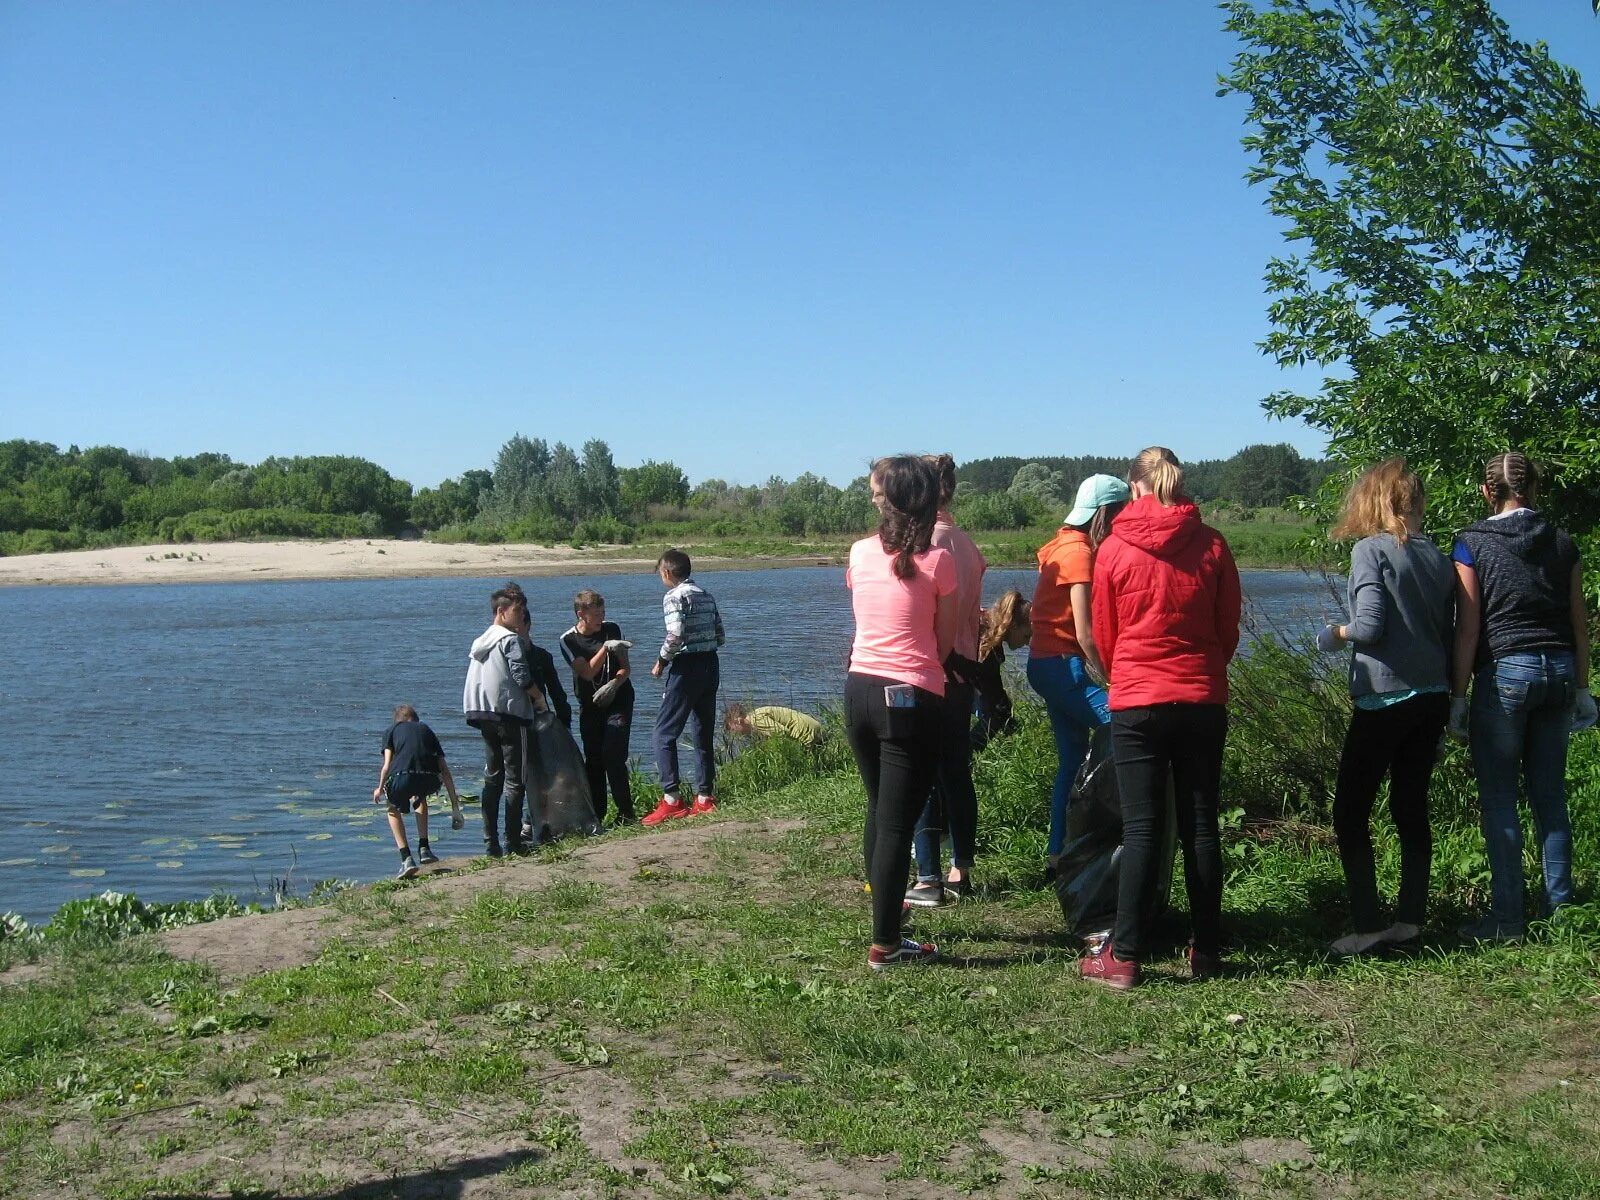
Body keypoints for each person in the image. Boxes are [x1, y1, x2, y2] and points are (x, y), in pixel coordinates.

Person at [1081, 447, 1241, 989]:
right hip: (1201, 696)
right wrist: (1203, 670)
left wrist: (1121, 674)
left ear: (1136, 488)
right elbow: (1228, 629)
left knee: (1143, 826)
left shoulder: (1113, 550)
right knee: (1200, 823)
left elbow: (1104, 633)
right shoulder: (1214, 544)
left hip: (1138, 699)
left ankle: (1124, 956)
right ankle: (1208, 949)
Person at [1450, 452, 1595, 942]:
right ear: (1534, 488)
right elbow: (1579, 622)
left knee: (1499, 800)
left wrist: (1457, 695)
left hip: (1505, 672)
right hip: (1558, 669)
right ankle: (1562, 913)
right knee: (1550, 797)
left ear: (1487, 491)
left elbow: (1469, 629)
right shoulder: (1562, 542)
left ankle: (1507, 919)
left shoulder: (1471, 543)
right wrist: (1583, 687)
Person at [1316, 459, 1455, 956]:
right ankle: (1411, 921)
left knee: (1350, 811)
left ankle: (1369, 924)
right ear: (1415, 502)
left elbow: (1369, 626)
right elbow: (1447, 632)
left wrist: (1333, 634)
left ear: (1374, 501)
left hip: (1384, 697)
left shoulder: (1370, 550)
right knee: (1409, 806)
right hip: (1432, 696)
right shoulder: (1438, 557)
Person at [846, 455, 957, 968]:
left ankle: (883, 916)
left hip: (860, 690)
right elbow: (946, 640)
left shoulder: (859, 552)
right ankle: (886, 942)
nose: (871, 495)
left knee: (878, 809)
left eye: (876, 491)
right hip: (910, 698)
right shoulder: (938, 561)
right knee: (896, 824)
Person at [1027, 474, 1130, 876]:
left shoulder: (1062, 544)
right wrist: (1112, 679)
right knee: (1125, 725)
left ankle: (1060, 854)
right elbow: (1086, 633)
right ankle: (1117, 839)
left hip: (1046, 665)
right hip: (1061, 666)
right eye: (1121, 514)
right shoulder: (1079, 554)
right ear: (1106, 513)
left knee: (1071, 761)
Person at [905, 453, 988, 907]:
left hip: (933, 668)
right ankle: (962, 867)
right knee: (956, 772)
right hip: (964, 672)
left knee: (920, 773)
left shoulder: (926, 544)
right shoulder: (964, 539)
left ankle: (927, 875)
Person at [462, 584, 548, 857]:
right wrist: (539, 700)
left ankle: (491, 843)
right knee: (515, 780)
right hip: (509, 715)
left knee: (493, 779)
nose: (522, 617)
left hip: (481, 714)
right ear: (502, 612)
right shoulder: (510, 640)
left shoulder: (480, 642)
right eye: (518, 611)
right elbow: (521, 676)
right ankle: (512, 842)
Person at [643, 549, 726, 826]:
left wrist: (661, 662)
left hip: (686, 668)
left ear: (667, 573)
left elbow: (675, 633)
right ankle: (705, 797)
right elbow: (720, 635)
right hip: (710, 664)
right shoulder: (706, 594)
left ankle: (672, 800)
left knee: (663, 733)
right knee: (702, 731)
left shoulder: (674, 596)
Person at [560, 589, 637, 825]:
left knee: (613, 754)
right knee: (594, 760)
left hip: (619, 699)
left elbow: (625, 666)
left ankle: (626, 814)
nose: (601, 619)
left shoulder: (612, 628)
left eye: (603, 613)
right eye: (596, 615)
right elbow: (587, 672)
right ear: (581, 614)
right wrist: (605, 648)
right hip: (590, 705)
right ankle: (597, 817)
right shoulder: (569, 640)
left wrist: (616, 682)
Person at [373, 704, 462, 879]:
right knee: (420, 798)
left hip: (401, 777)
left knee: (392, 808)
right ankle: (424, 848)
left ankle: (406, 858)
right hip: (429, 779)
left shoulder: (391, 730)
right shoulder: (426, 730)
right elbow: (444, 770)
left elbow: (386, 766)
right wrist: (455, 807)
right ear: (415, 719)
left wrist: (379, 788)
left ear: (398, 720)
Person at [509, 601, 572, 845]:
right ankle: (524, 826)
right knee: (521, 775)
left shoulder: (542, 656)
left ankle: (538, 823)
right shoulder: (506, 655)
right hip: (515, 721)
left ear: (528, 626)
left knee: (545, 774)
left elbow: (557, 691)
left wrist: (564, 724)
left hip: (541, 722)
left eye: (518, 628)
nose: (515, 634)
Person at [968, 590, 1031, 750]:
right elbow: (991, 687)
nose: (1027, 643)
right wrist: (1006, 715)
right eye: (1026, 636)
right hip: (952, 685)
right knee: (997, 713)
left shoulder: (989, 632)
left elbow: (993, 687)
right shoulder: (989, 647)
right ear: (1013, 626)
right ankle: (968, 756)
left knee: (997, 709)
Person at [724, 703, 824, 747]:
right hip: (811, 728)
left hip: (806, 733)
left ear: (738, 721)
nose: (736, 734)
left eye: (733, 729)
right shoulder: (755, 716)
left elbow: (782, 733)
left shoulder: (756, 720)